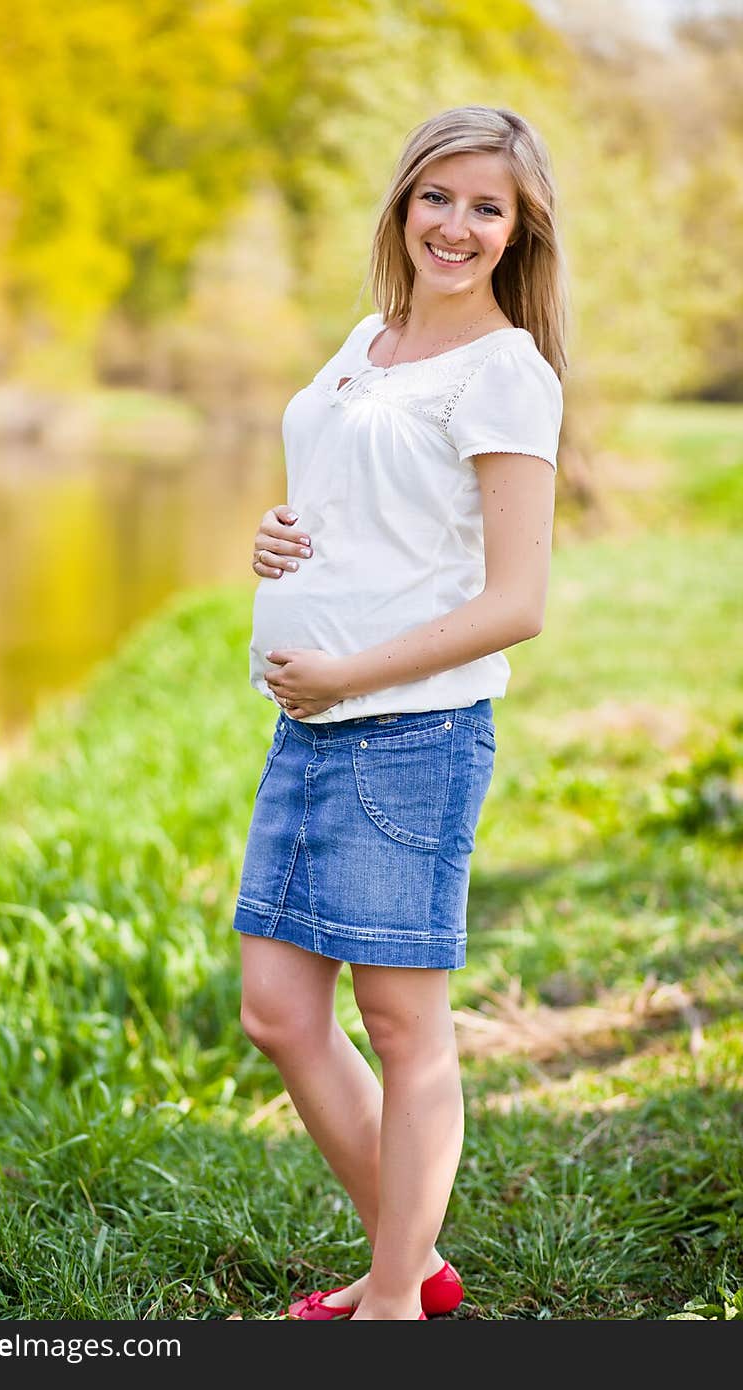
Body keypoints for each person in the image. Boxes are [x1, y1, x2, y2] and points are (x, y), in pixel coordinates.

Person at [232, 104, 568, 1321]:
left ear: (520, 230)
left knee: (401, 1024)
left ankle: (390, 1301)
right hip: (308, 726)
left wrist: (350, 671)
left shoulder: (504, 373)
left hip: (408, 734)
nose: (458, 225)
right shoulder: (365, 342)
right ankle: (413, 1266)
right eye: (440, 196)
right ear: (403, 203)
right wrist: (276, 538)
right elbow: (348, 505)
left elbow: (517, 600)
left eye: (488, 207)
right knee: (276, 1011)